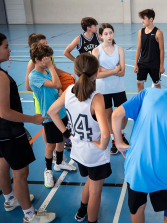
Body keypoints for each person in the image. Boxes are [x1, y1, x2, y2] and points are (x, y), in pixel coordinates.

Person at [0, 32, 55, 223]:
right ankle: (30, 215)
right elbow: (5, 112)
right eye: (6, 46)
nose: (10, 50)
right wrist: (32, 119)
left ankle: (10, 200)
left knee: (3, 163)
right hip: (8, 131)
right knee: (21, 173)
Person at [111, 62, 167, 223]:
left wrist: (118, 142)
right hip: (163, 172)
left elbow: (116, 115)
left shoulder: (147, 94)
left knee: (138, 208)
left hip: (136, 168)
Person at [48, 53, 118, 223]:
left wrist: (67, 134)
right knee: (96, 191)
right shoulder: (96, 98)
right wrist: (101, 145)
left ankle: (82, 209)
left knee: (90, 180)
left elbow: (51, 112)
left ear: (76, 71)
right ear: (96, 74)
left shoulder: (68, 91)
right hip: (95, 155)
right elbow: (105, 132)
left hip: (78, 152)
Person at [29, 43, 76, 189]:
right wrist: (51, 67)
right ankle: (48, 170)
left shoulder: (47, 72)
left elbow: (57, 88)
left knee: (62, 138)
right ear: (37, 60)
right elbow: (56, 84)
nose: (49, 60)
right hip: (49, 115)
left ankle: (59, 163)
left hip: (60, 112)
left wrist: (61, 93)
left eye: (50, 58)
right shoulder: (34, 76)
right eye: (46, 58)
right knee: (50, 145)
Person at [25, 33, 73, 151]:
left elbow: (54, 70)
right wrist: (45, 86)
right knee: (46, 125)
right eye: (43, 44)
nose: (46, 46)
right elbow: (28, 86)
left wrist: (67, 75)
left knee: (59, 120)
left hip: (52, 92)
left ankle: (59, 145)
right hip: (42, 97)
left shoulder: (48, 58)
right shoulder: (33, 64)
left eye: (46, 43)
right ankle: (50, 148)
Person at [92, 23, 129, 155]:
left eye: (111, 33)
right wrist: (114, 70)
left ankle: (120, 133)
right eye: (106, 33)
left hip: (118, 88)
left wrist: (104, 70)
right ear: (100, 36)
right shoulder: (96, 51)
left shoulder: (119, 50)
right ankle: (114, 139)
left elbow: (122, 72)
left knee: (123, 115)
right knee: (108, 116)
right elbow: (96, 74)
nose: (109, 36)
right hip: (103, 90)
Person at [134, 9, 165, 92]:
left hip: (154, 63)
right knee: (139, 84)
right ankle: (140, 101)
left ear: (151, 19)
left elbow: (162, 50)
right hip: (143, 62)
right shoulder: (141, 31)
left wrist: (161, 65)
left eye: (144, 18)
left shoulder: (158, 32)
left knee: (157, 84)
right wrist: (136, 64)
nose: (142, 21)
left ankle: (157, 101)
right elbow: (138, 48)